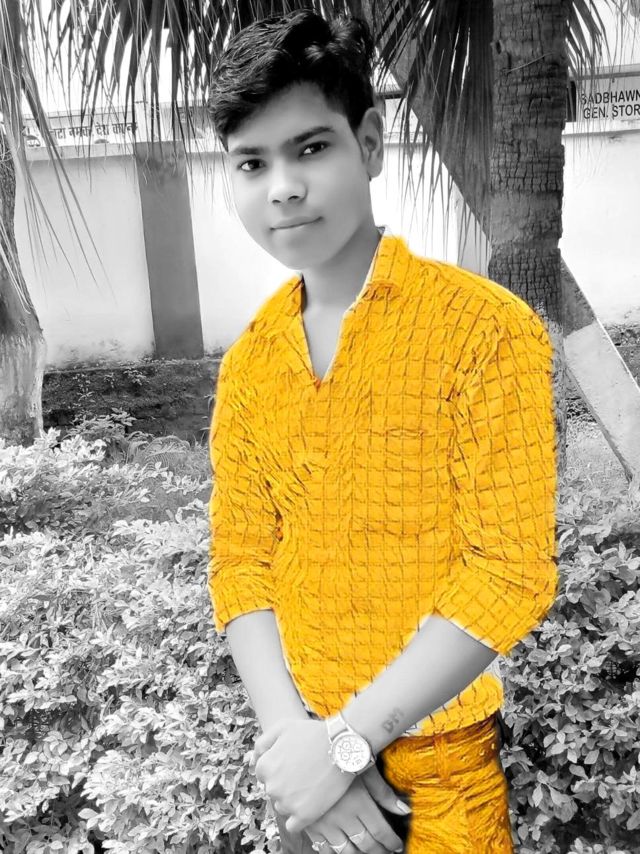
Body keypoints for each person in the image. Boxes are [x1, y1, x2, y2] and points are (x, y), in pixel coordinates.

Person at [206, 10, 558, 854]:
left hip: (440, 777)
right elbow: (240, 561)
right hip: (306, 780)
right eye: (252, 163)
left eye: (310, 148)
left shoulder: (483, 331)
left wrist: (346, 743)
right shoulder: (251, 362)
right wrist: (301, 751)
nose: (282, 187)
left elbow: (510, 571)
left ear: (369, 143)